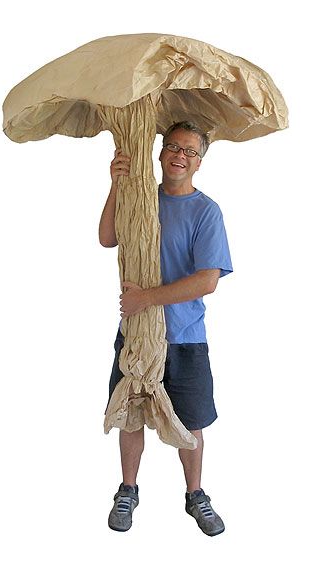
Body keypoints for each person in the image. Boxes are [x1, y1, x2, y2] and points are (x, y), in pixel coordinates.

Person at [99, 121, 233, 536]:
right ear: (159, 153)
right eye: (173, 146)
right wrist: (117, 183)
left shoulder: (205, 211)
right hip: (137, 333)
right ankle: (128, 490)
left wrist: (147, 298)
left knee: (191, 422)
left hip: (185, 338)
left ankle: (196, 495)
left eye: (190, 151)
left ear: (200, 161)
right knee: (130, 414)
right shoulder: (141, 198)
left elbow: (208, 279)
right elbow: (108, 238)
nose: (180, 155)